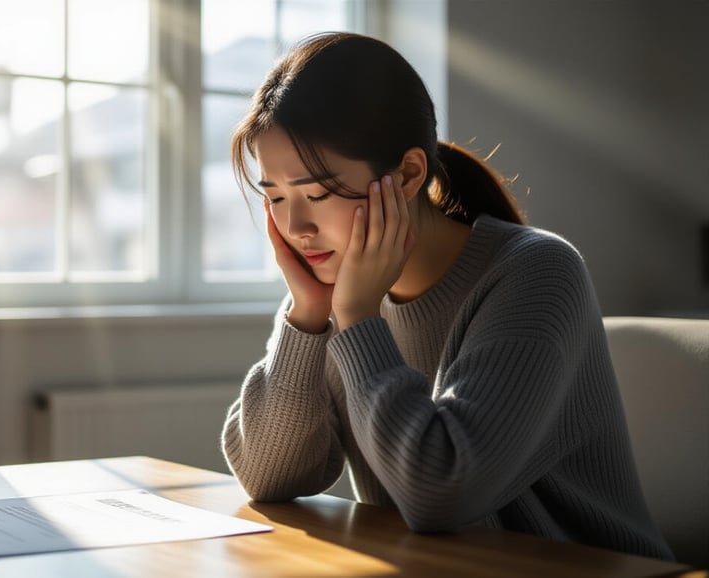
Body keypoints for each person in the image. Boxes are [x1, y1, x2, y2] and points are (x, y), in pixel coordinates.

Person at [220, 31, 674, 560]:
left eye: (317, 193)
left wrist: (358, 317)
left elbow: (439, 492)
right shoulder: (338, 293)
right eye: (274, 196)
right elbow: (268, 476)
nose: (295, 225)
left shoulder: (537, 273)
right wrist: (307, 318)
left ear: (409, 173)